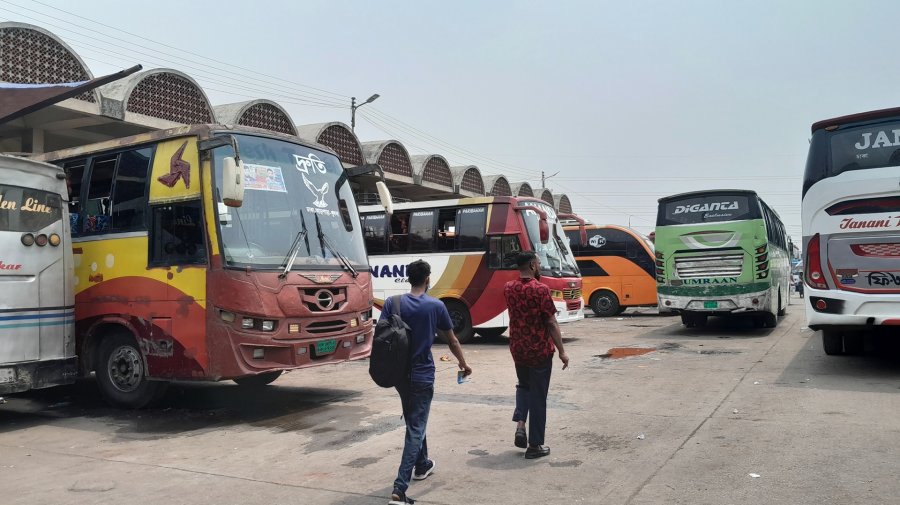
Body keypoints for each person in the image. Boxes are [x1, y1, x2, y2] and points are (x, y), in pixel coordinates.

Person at [383, 259, 472, 505]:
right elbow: (452, 341)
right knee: (416, 427)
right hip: (422, 374)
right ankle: (400, 489)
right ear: (427, 279)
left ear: (408, 278)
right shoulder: (436, 306)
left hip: (399, 375)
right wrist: (463, 364)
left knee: (414, 419)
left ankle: (422, 465)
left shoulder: (393, 303)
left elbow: (382, 334)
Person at [504, 251, 569, 459]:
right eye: (538, 263)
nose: (539, 266)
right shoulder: (541, 290)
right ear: (532, 265)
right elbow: (550, 322)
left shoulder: (509, 288)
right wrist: (562, 351)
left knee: (523, 386)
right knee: (538, 397)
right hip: (539, 350)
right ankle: (535, 445)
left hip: (518, 349)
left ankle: (521, 424)